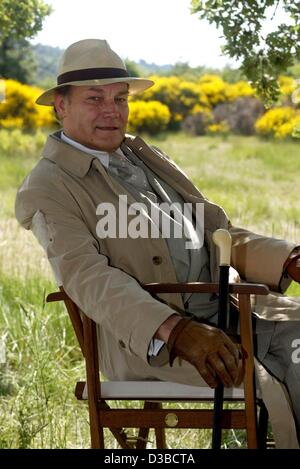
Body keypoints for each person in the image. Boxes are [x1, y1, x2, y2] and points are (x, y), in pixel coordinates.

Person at [15, 39, 300, 448]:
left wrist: (288, 258)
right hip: (155, 342)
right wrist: (178, 330)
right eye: (94, 99)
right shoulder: (49, 185)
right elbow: (87, 277)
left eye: (120, 98)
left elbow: (216, 235)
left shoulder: (144, 156)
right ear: (61, 106)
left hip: (232, 309)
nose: (112, 110)